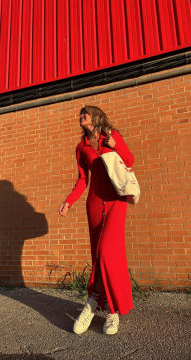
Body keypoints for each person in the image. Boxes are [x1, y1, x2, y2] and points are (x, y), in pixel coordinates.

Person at [59, 106, 134, 335]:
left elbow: (130, 160)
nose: (81, 115)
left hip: (115, 202)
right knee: (99, 255)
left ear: (96, 116)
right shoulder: (81, 147)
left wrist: (116, 146)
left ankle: (98, 304)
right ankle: (104, 305)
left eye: (86, 113)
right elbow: (83, 179)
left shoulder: (111, 136)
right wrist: (69, 201)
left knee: (108, 251)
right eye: (80, 114)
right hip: (93, 205)